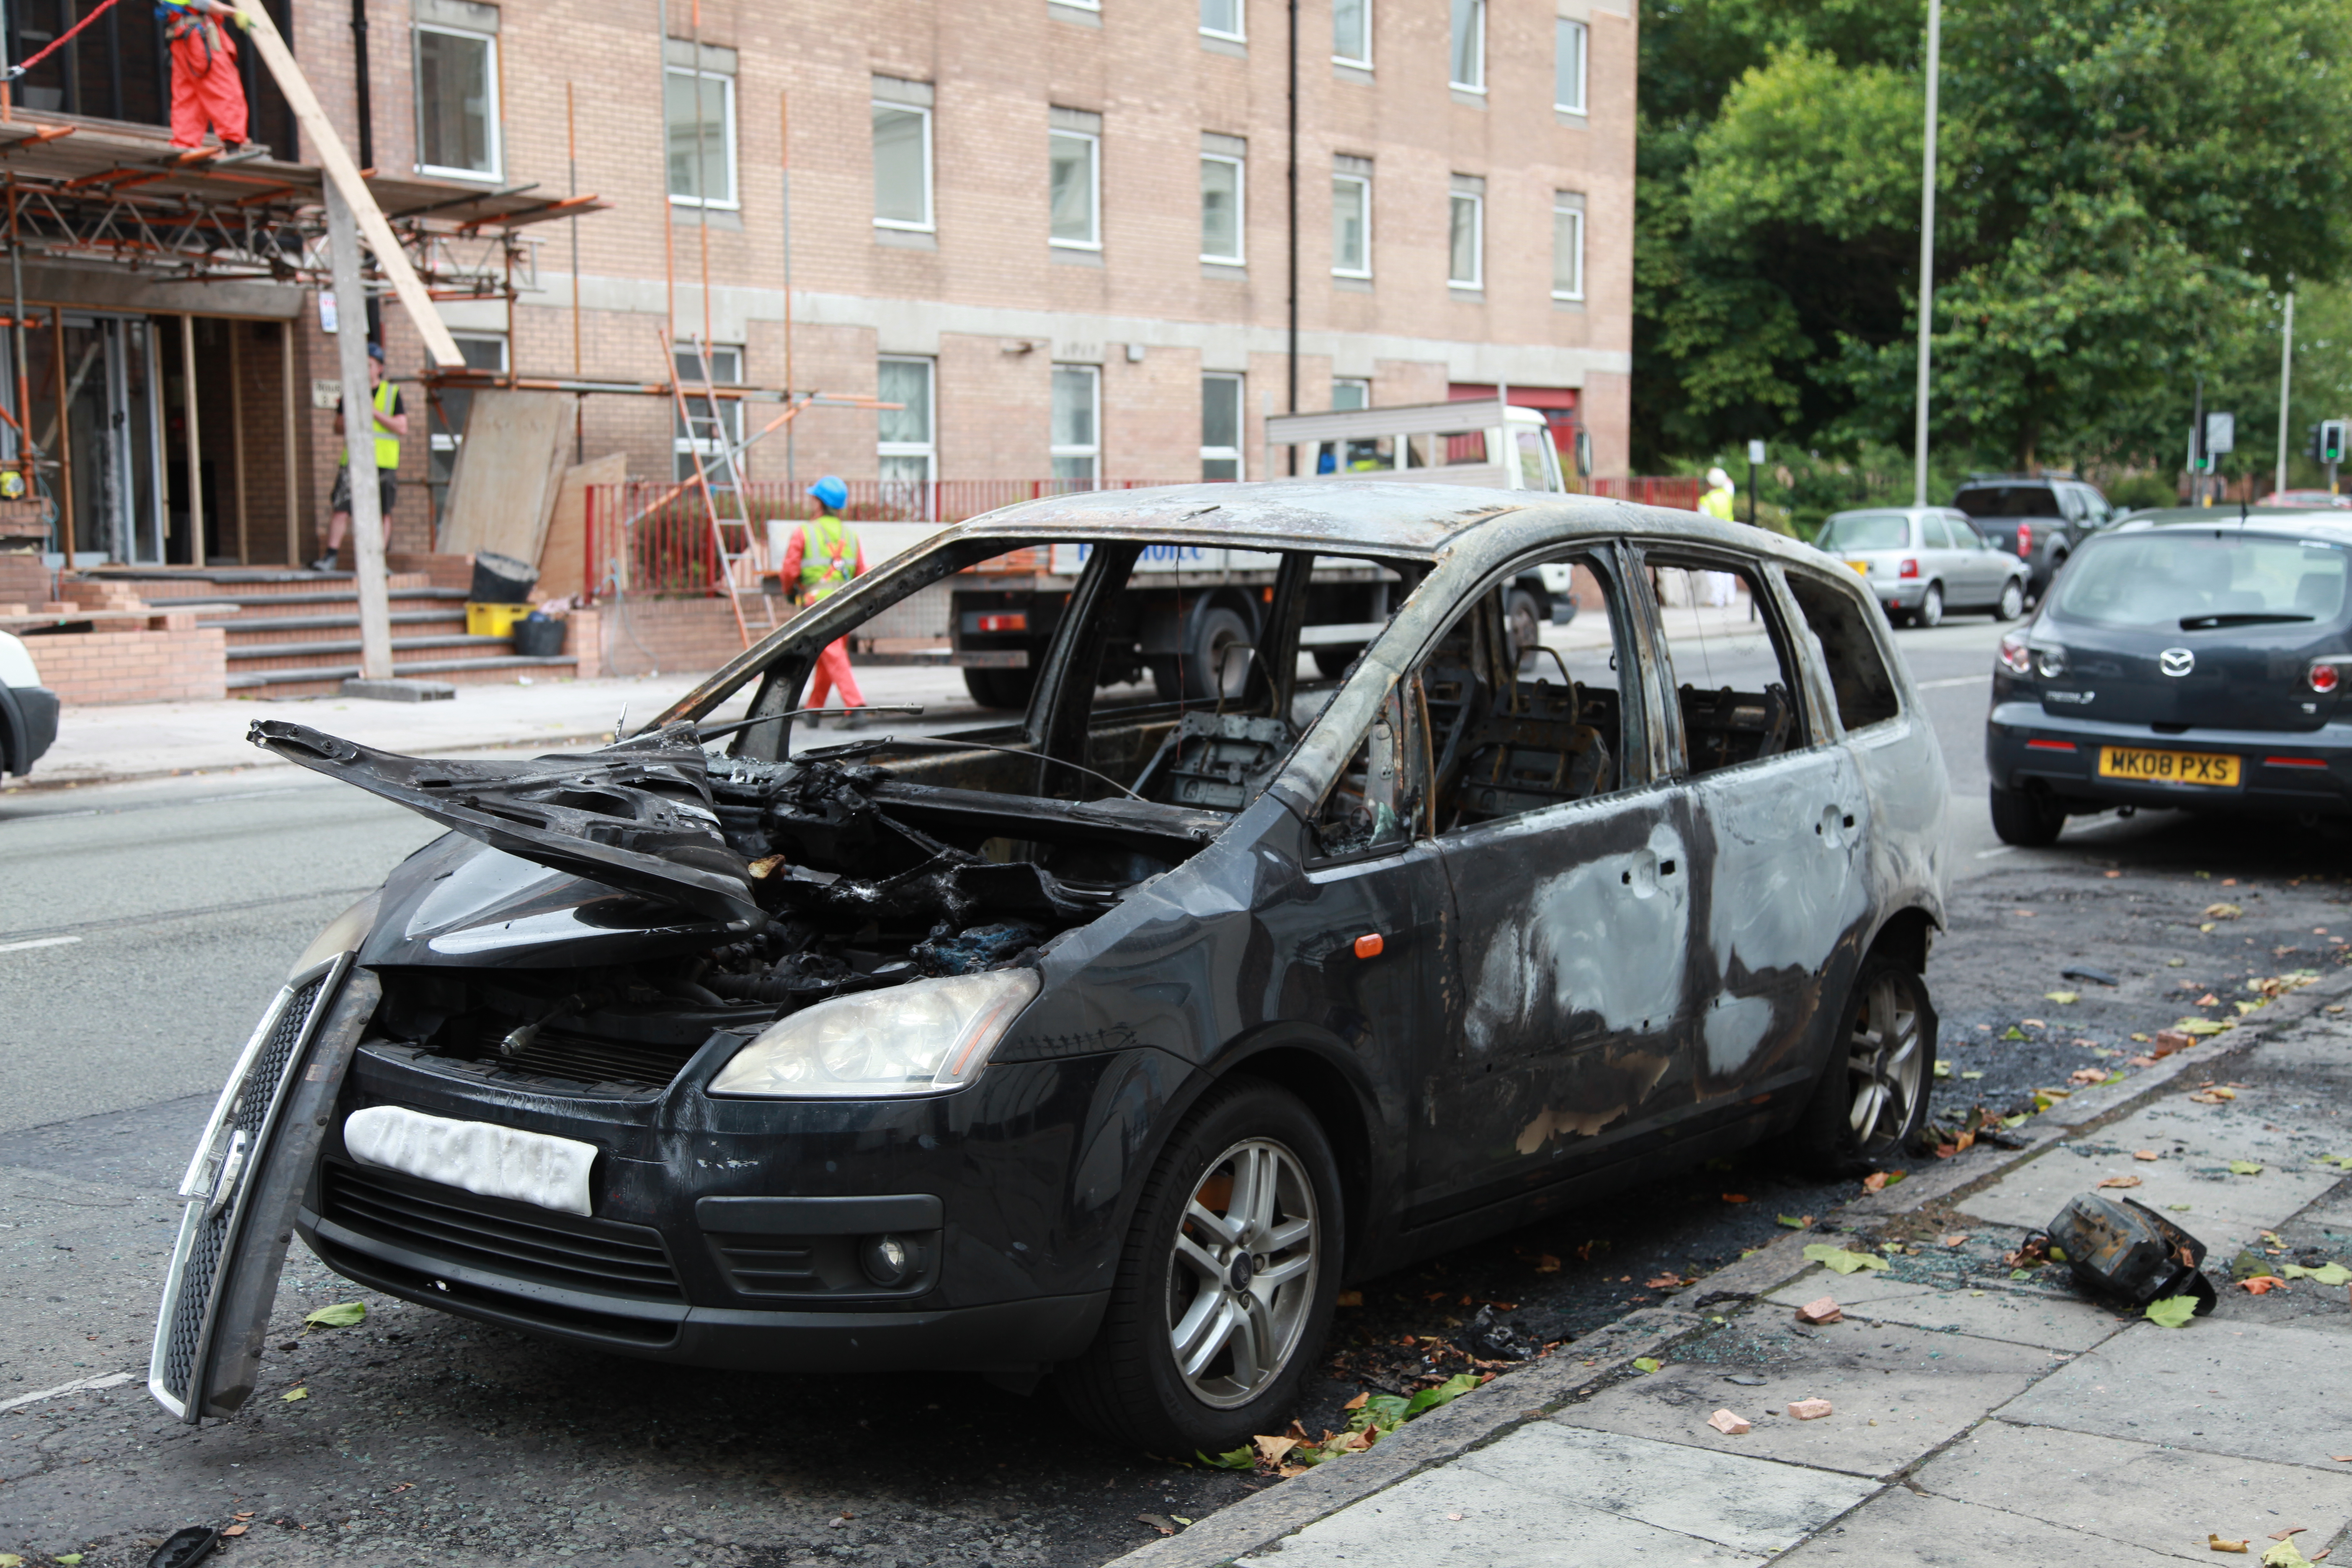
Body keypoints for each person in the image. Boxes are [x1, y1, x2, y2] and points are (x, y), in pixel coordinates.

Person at [312, 343, 407, 572]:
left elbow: (401, 427)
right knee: (341, 507)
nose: (364, 370)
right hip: (353, 461)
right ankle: (330, 557)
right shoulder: (352, 393)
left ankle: (378, 561)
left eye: (369, 365)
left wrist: (372, 412)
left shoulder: (391, 394)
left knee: (382, 512)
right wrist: (352, 414)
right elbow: (338, 427)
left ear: (379, 368)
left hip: (383, 462)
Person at [781, 475, 867, 725]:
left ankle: (856, 706)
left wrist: (789, 592)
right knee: (831, 653)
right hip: (846, 604)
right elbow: (862, 572)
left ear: (819, 503)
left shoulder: (804, 532)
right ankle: (814, 710)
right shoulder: (850, 535)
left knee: (831, 653)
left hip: (816, 603)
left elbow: (790, 572)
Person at [160, 0, 255, 157]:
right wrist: (234, 13)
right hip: (198, 37)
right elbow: (202, 2)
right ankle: (233, 142)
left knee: (189, 94)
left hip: (183, 37)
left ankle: (185, 143)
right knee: (223, 87)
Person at [1696, 467, 1741, 608]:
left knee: (1714, 568)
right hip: (1729, 535)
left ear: (1709, 483)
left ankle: (1717, 599)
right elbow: (1729, 482)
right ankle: (1730, 598)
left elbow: (1703, 523)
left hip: (1713, 538)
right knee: (1728, 567)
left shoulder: (1707, 501)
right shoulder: (1728, 494)